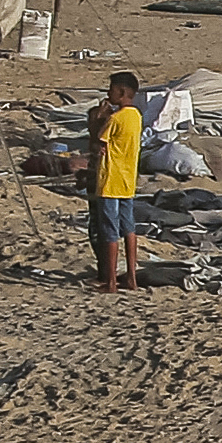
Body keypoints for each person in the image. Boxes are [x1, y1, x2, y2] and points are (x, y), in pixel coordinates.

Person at [84, 70, 143, 290]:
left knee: (109, 231)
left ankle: (110, 281)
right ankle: (132, 277)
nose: (108, 94)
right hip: (128, 180)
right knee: (129, 228)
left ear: (121, 92)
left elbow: (98, 143)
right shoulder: (136, 116)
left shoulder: (115, 119)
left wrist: (97, 119)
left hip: (110, 180)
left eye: (111, 90)